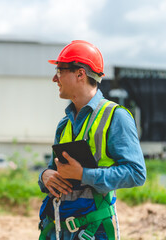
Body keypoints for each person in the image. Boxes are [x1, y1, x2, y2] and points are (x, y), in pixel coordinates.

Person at [38, 40, 146, 240]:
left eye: (60, 71)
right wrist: (45, 176)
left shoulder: (116, 116)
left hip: (94, 230)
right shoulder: (65, 123)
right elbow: (53, 168)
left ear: (80, 74)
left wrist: (83, 174)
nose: (55, 78)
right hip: (59, 228)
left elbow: (136, 173)